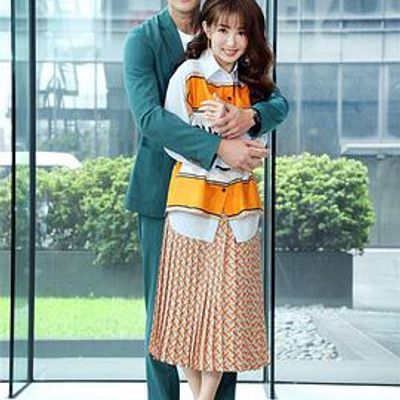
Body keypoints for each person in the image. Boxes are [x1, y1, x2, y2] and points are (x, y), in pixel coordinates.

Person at [123, 1, 289, 399]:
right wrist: (220, 149)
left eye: (238, 33)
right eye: (226, 32)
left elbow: (278, 103)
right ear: (212, 31)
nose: (232, 38)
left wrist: (251, 117)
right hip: (163, 194)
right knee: (167, 314)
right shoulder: (143, 41)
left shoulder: (226, 25)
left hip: (230, 200)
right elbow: (149, 117)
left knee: (223, 313)